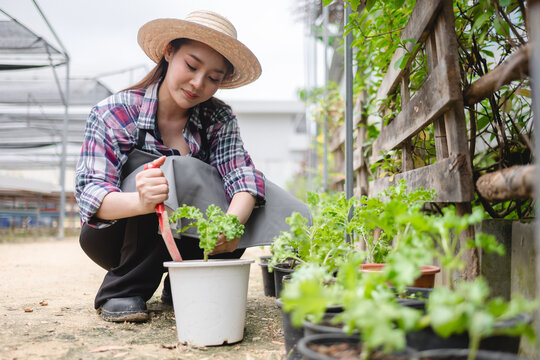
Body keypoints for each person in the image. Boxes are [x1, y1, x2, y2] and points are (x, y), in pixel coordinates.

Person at [75, 10, 265, 323]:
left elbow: (241, 175)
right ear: (169, 51)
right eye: (191, 65)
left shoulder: (218, 119)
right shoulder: (114, 113)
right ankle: (123, 290)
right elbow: (90, 194)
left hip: (189, 240)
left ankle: (187, 282)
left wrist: (230, 225)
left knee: (248, 203)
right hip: (118, 235)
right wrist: (141, 201)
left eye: (214, 78)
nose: (198, 83)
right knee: (161, 176)